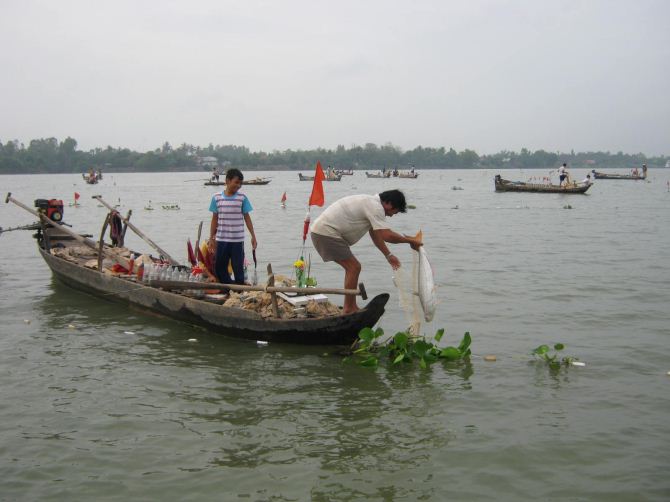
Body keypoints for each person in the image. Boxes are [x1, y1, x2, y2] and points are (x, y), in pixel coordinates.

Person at [310, 189, 422, 314]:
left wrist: (388, 255)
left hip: (323, 232)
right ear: (389, 204)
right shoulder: (375, 207)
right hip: (326, 233)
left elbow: (376, 234)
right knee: (354, 267)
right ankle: (349, 308)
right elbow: (387, 235)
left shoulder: (371, 204)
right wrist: (410, 241)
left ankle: (350, 306)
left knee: (353, 267)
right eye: (393, 213)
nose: (390, 216)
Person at [208, 168, 257, 285]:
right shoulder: (216, 198)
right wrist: (211, 238)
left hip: (237, 241)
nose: (238, 185)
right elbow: (214, 219)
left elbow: (247, 218)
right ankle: (229, 288)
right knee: (220, 268)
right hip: (222, 239)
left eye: (240, 183)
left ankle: (239, 290)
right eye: (236, 182)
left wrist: (253, 236)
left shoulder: (242, 198)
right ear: (228, 181)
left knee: (238, 269)